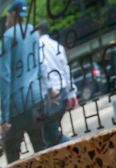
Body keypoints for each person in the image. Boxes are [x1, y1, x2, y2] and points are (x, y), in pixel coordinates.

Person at [0, 0, 44, 164]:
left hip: (16, 105)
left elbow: (4, 76)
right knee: (42, 150)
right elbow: (38, 64)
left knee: (13, 157)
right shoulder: (32, 31)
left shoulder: (8, 36)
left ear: (12, 14)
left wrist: (4, 117)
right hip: (36, 98)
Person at [37, 20, 78, 149]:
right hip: (63, 90)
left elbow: (43, 69)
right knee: (50, 135)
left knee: (51, 135)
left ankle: (76, 149)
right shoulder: (56, 46)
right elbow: (66, 70)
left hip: (52, 93)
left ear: (38, 31)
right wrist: (72, 93)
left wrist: (50, 90)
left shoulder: (37, 47)